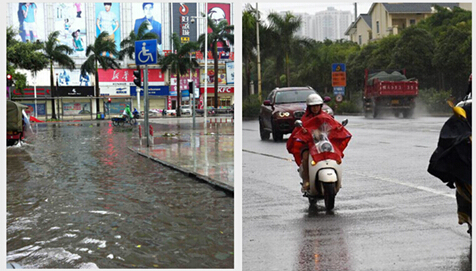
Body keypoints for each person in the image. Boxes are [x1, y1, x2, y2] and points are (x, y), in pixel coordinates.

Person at [286, 93, 351, 192]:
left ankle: (337, 177)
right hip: (308, 144)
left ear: (320, 106)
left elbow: (333, 125)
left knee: (335, 153)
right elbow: (297, 132)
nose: (315, 108)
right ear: (309, 107)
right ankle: (307, 180)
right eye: (313, 106)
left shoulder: (325, 116)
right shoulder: (305, 119)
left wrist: (338, 128)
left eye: (317, 106)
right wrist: (303, 132)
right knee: (305, 156)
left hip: (322, 142)